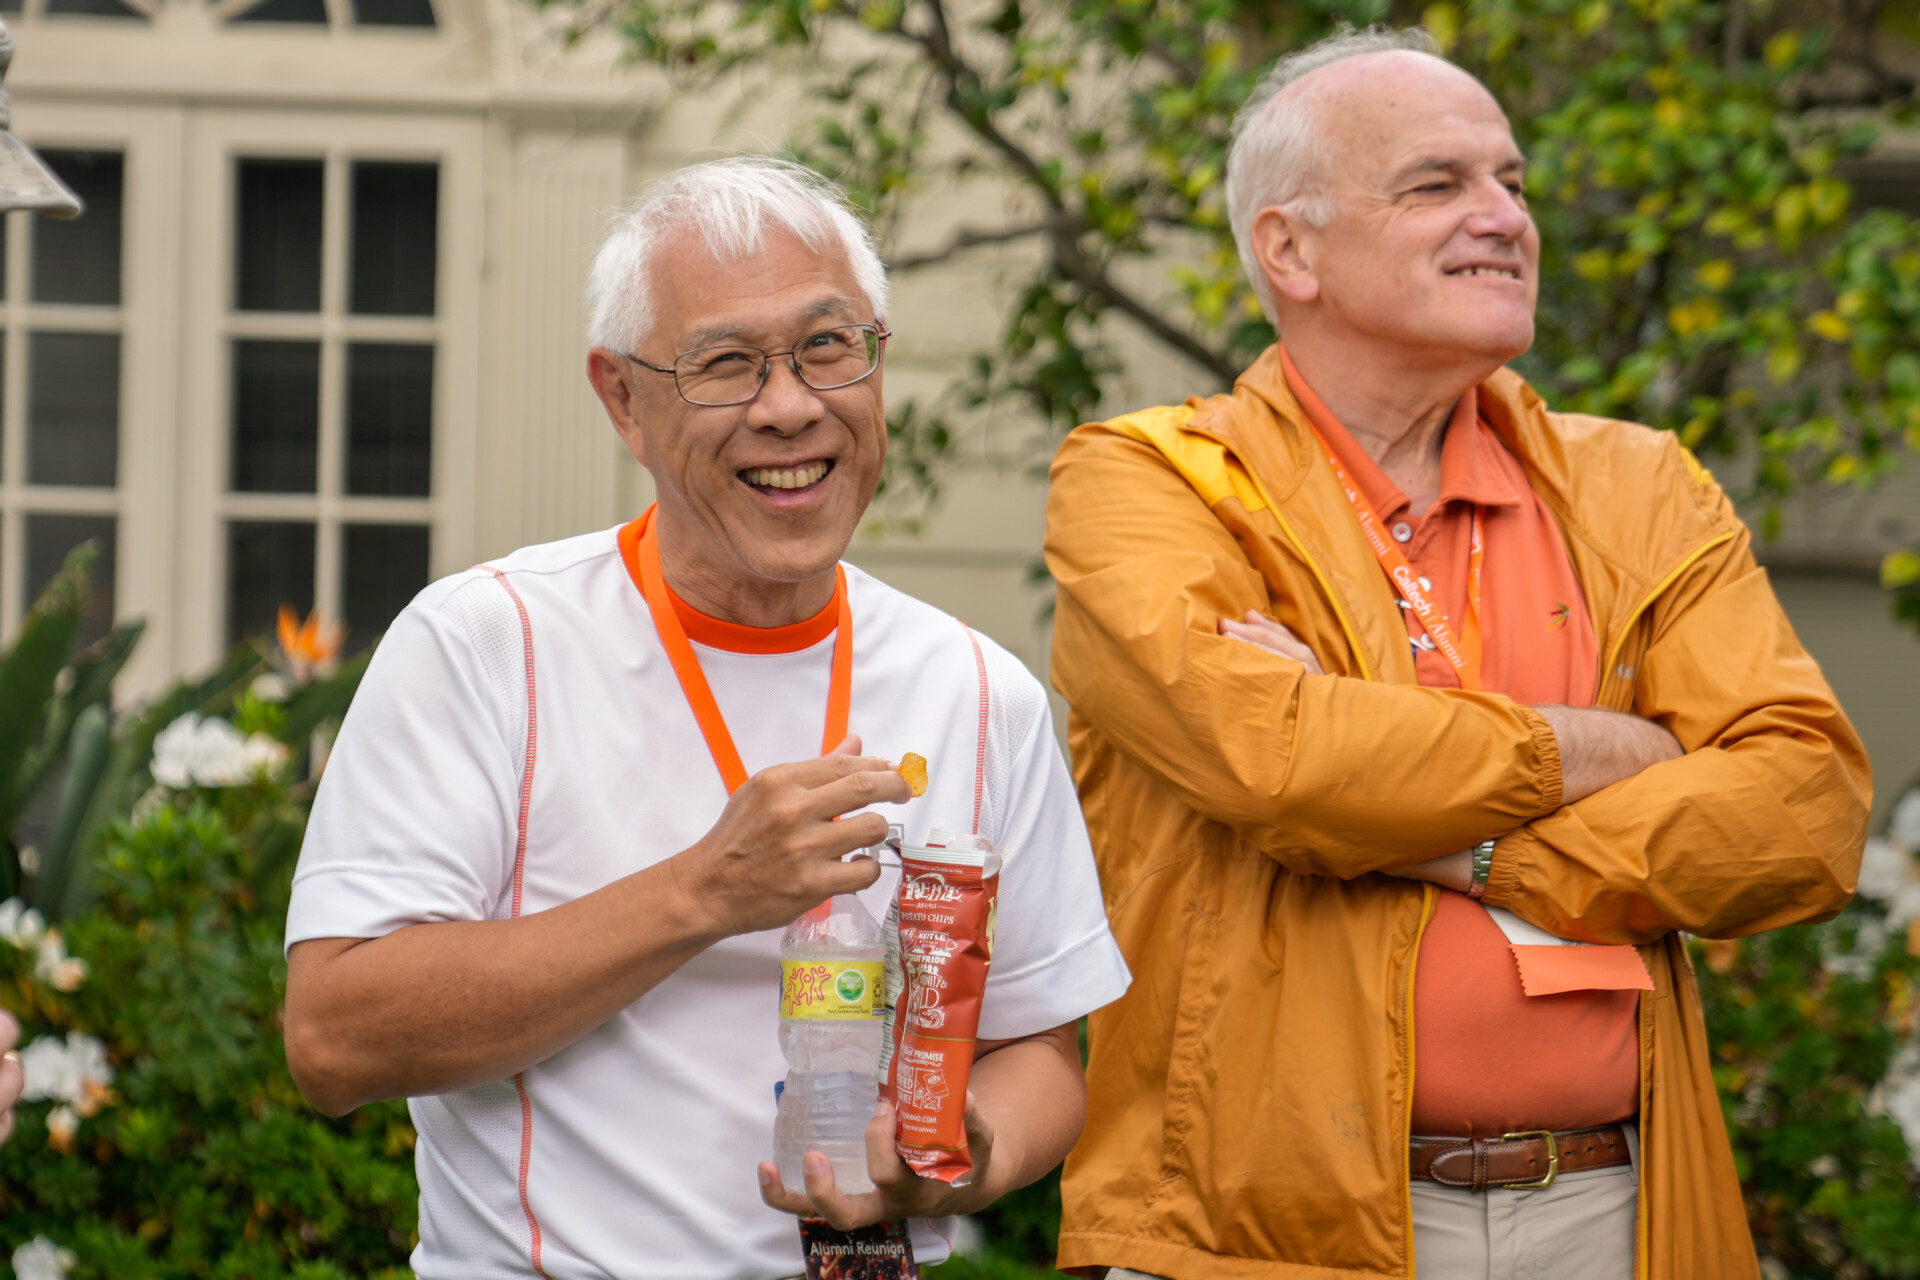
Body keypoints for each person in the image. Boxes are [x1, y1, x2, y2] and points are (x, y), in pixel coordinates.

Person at [1043, 27, 1868, 1280]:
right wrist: (1608, 747)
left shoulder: (1637, 483)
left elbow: (1804, 812)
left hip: (1617, 1211)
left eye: (1514, 183)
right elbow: (1276, 760)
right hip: (1250, 1237)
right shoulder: (1151, 479)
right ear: (1289, 248)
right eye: (1437, 184)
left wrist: (1469, 847)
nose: (1504, 217)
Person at [282, 156, 1129, 1279]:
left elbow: (1039, 1050)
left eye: (829, 346)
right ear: (623, 398)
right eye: (724, 362)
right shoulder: (489, 644)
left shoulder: (977, 685)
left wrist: (966, 1150)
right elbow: (336, 1035)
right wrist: (702, 891)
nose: (789, 407)